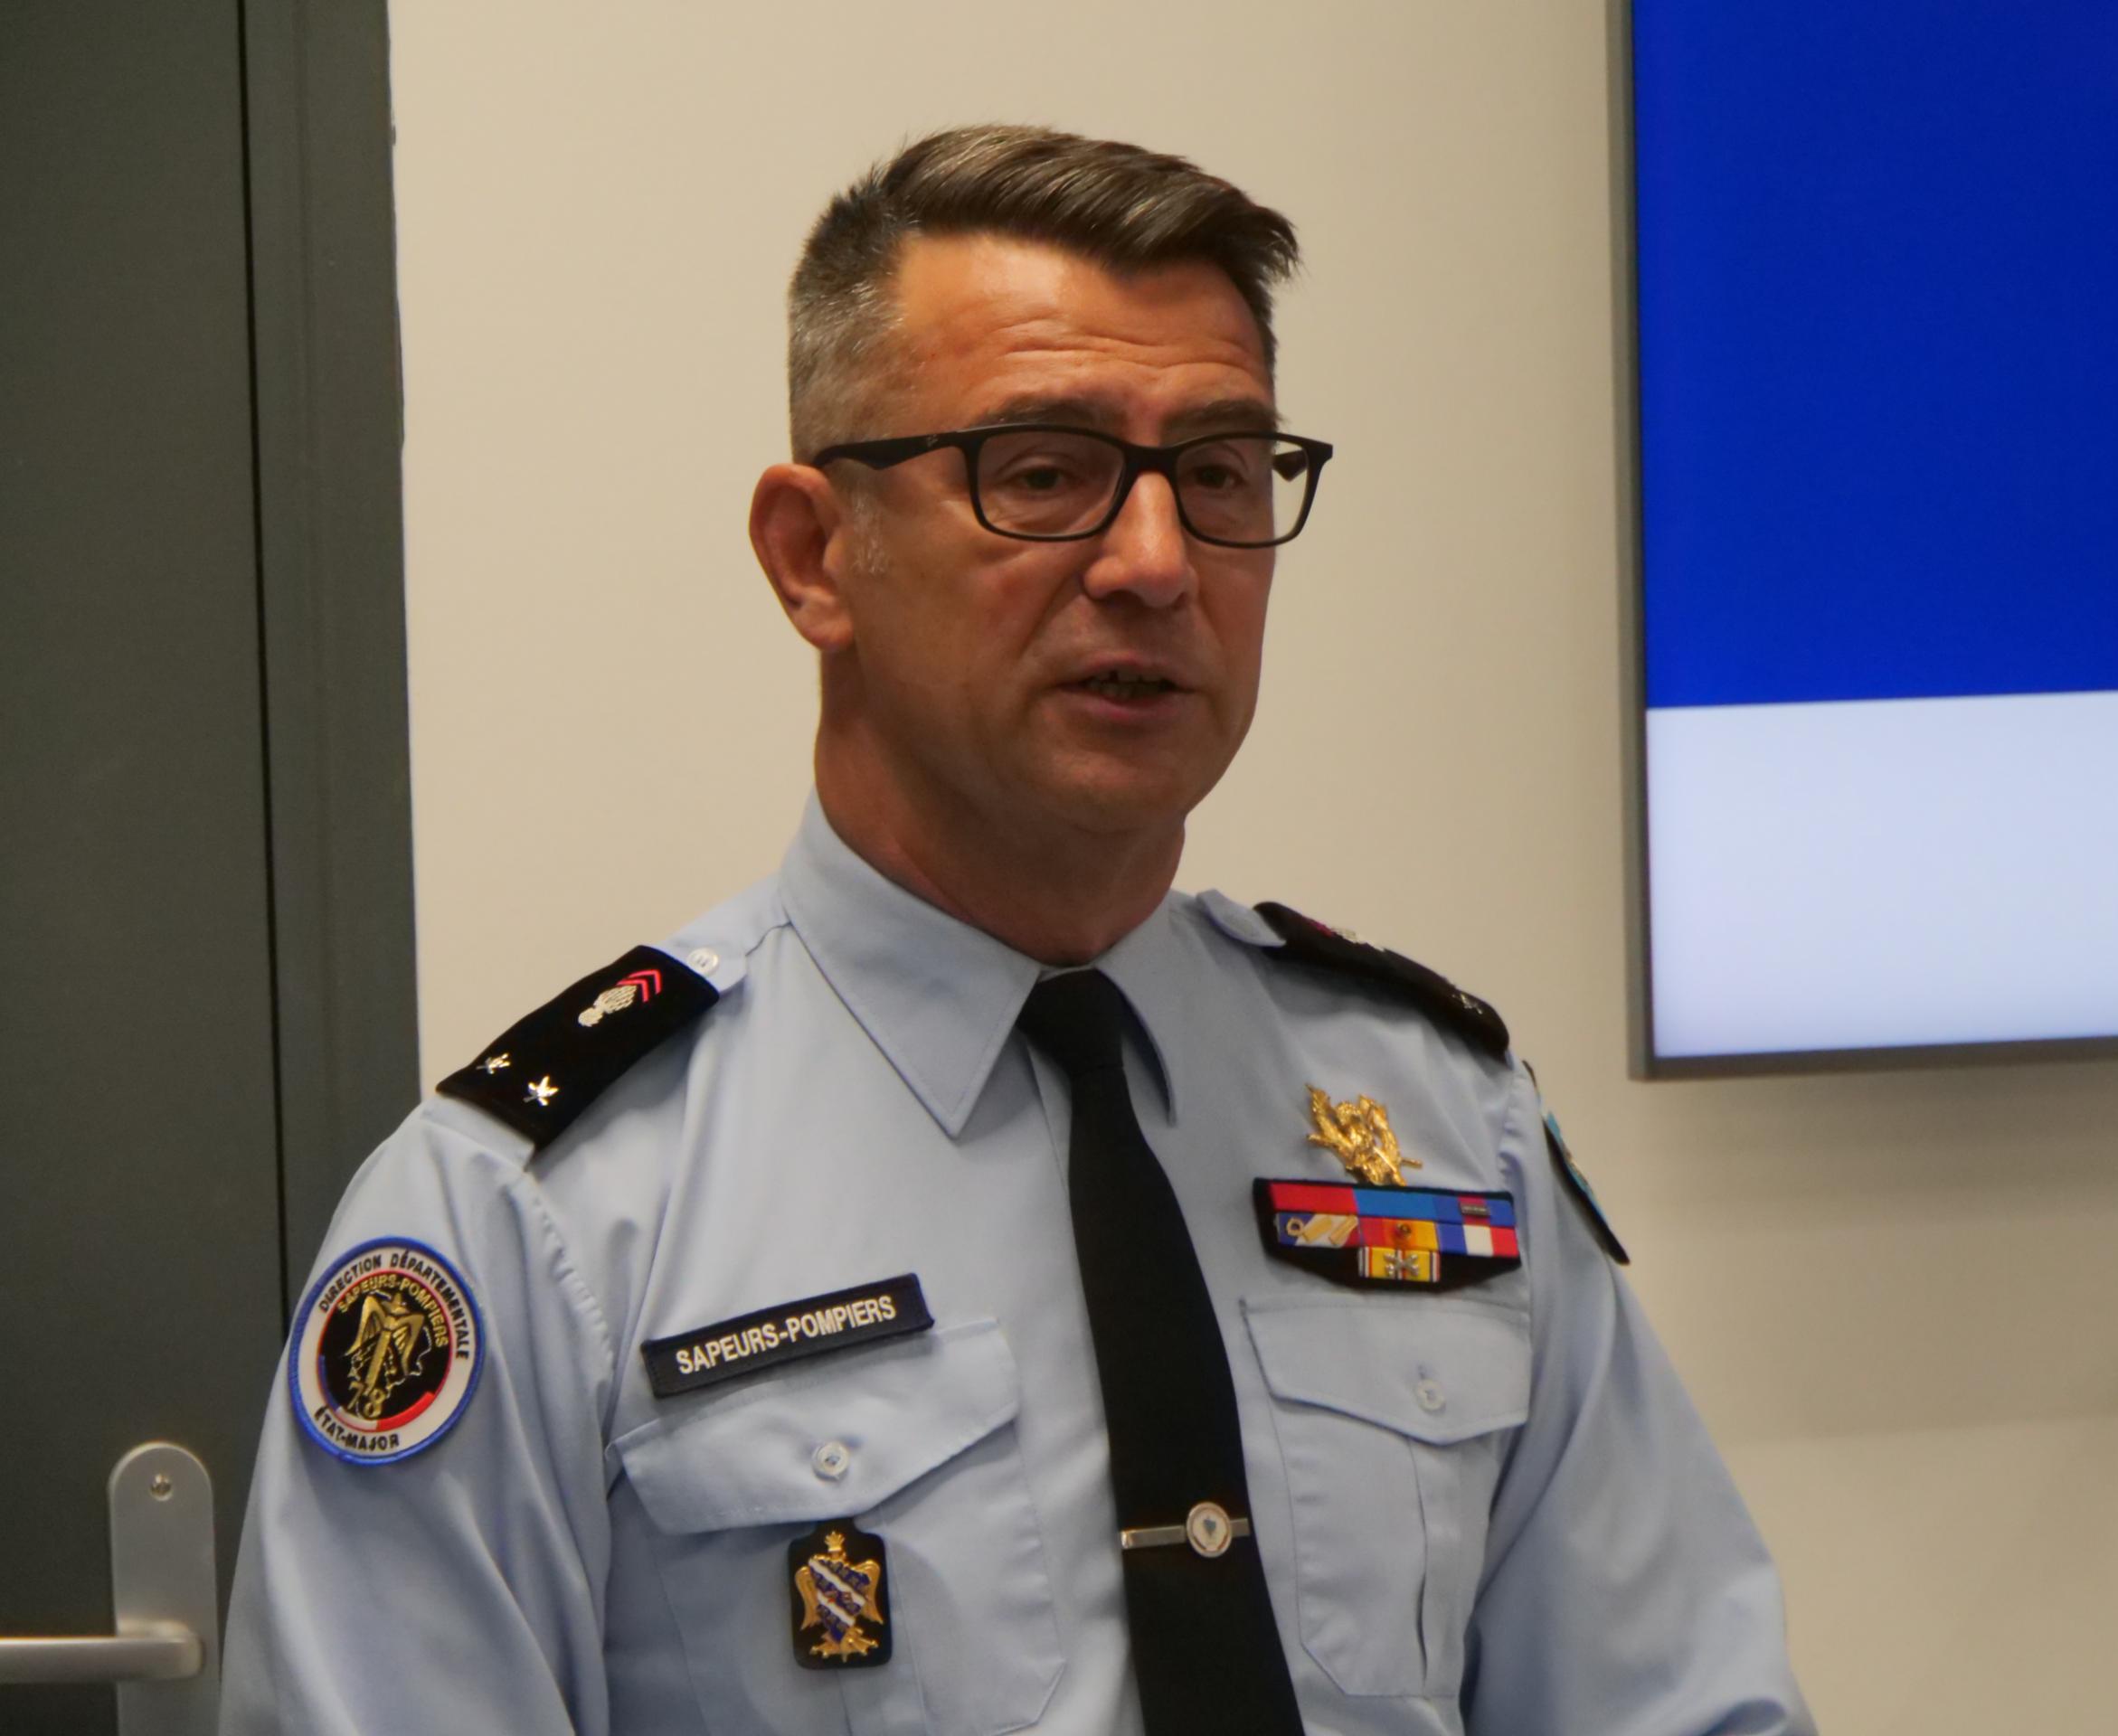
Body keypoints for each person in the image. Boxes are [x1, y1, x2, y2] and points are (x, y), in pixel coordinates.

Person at [222, 124, 1812, 1735]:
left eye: (1219, 474)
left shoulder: (1445, 1125)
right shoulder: (539, 1215)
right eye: (1043, 473)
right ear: (813, 557)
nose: (1157, 564)